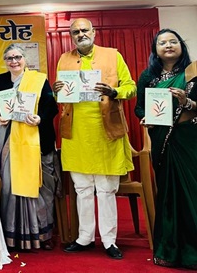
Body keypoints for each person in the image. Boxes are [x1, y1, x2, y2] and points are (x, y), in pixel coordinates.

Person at [53, 18, 135, 260]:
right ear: (71, 36)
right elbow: (61, 95)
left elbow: (131, 87)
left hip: (106, 131)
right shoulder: (64, 59)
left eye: (84, 30)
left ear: (94, 32)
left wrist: (114, 91)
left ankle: (109, 241)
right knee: (82, 189)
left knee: (106, 190)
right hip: (76, 132)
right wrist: (57, 90)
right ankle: (84, 238)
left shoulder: (112, 55)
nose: (80, 34)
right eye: (75, 32)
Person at [0, 44, 59, 250]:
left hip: (37, 141)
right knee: (10, 186)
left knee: (40, 187)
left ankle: (42, 234)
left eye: (17, 57)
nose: (14, 61)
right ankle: (12, 235)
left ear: (25, 59)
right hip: (7, 140)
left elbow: (51, 107)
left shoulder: (38, 80)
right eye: (9, 58)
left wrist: (39, 118)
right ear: (4, 61)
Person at [134, 28, 197, 269]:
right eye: (162, 42)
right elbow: (139, 108)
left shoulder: (193, 72)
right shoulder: (148, 77)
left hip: (189, 139)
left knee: (192, 192)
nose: (168, 45)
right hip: (162, 141)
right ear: (155, 50)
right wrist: (145, 118)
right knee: (169, 194)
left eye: (173, 41)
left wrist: (186, 101)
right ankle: (169, 250)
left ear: (181, 45)